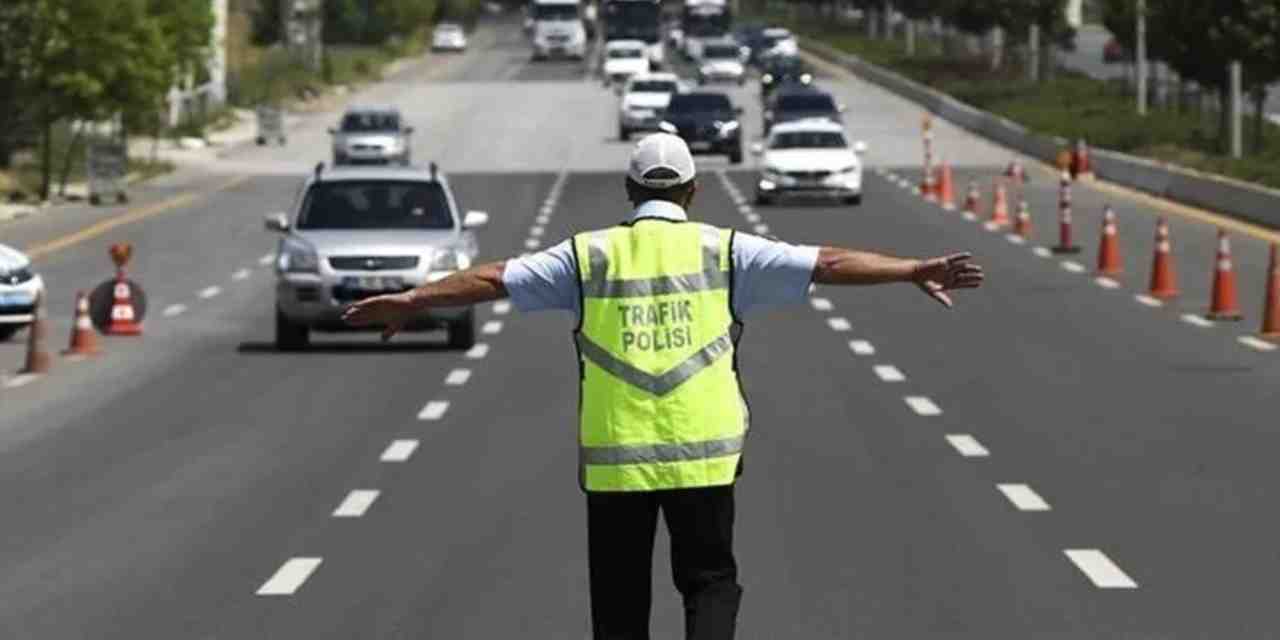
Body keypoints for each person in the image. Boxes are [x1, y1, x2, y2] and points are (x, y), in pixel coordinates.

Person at [342, 133, 984, 639]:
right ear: (693, 191)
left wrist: (412, 300)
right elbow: (829, 262)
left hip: (617, 460)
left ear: (628, 189)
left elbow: (490, 279)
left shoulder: (586, 255)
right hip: (704, 452)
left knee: (620, 602)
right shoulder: (727, 250)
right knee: (709, 583)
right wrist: (910, 269)